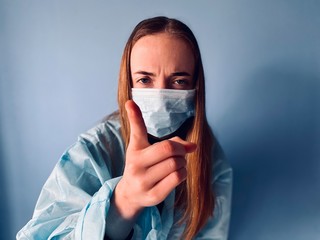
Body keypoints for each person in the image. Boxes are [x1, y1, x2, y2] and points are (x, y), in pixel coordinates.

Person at [17, 16, 232, 240]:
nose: (160, 96)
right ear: (128, 84)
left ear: (196, 87)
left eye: (178, 81)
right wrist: (125, 201)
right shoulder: (94, 152)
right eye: (145, 80)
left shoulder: (209, 157)